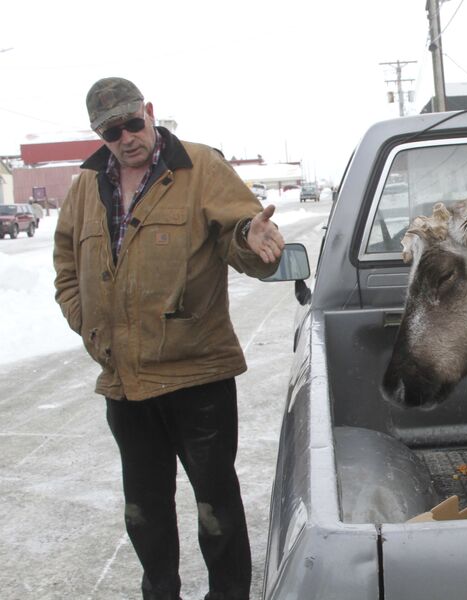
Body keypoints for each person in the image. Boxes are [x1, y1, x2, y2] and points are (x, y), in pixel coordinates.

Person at [53, 77, 285, 600]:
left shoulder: (199, 167)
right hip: (125, 382)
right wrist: (86, 320)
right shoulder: (84, 189)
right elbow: (66, 262)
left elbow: (239, 236)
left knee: (216, 506)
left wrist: (252, 238)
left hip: (196, 375)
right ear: (99, 134)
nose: (127, 136)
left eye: (134, 122)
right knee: (144, 510)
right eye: (113, 131)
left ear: (150, 112)